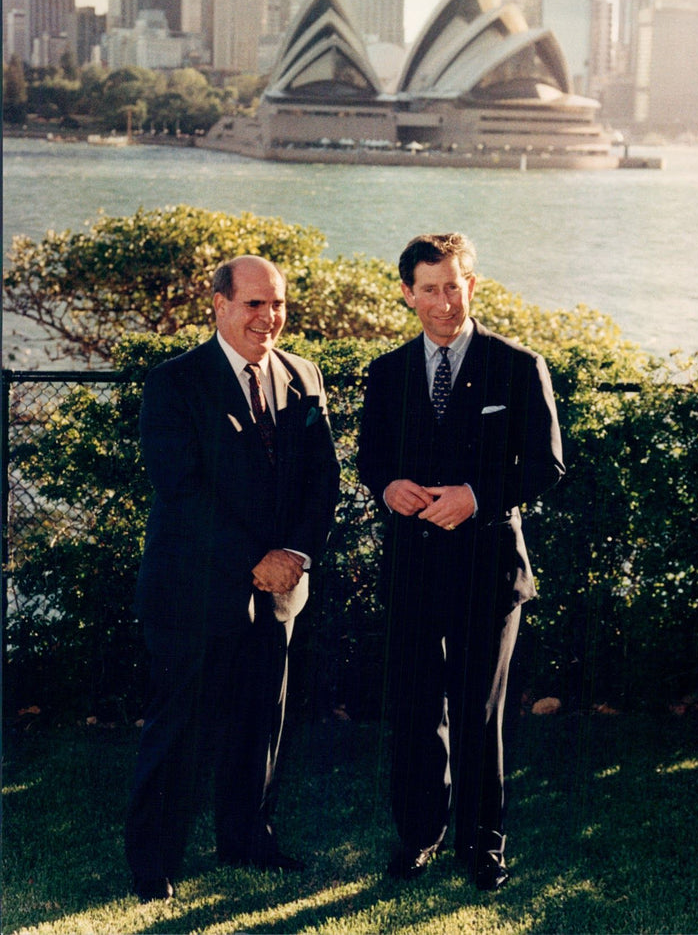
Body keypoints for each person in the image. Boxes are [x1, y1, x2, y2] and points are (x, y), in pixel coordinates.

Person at [125, 255, 340, 902]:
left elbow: (323, 482)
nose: (268, 318)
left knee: (261, 720)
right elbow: (183, 491)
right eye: (253, 304)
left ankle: (247, 837)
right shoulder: (174, 383)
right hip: (193, 589)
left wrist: (296, 554)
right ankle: (153, 861)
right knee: (181, 728)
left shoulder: (304, 376)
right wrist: (256, 559)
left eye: (276, 304)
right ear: (217, 305)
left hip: (279, 593)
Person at [357, 233, 564, 891]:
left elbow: (547, 465)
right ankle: (419, 835)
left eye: (454, 285)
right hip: (413, 568)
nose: (443, 301)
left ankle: (482, 843)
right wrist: (388, 487)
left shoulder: (517, 365)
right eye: (429, 288)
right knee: (415, 710)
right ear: (407, 294)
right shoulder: (386, 373)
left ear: (472, 285)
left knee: (479, 711)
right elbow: (371, 462)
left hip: (489, 571)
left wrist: (477, 496)